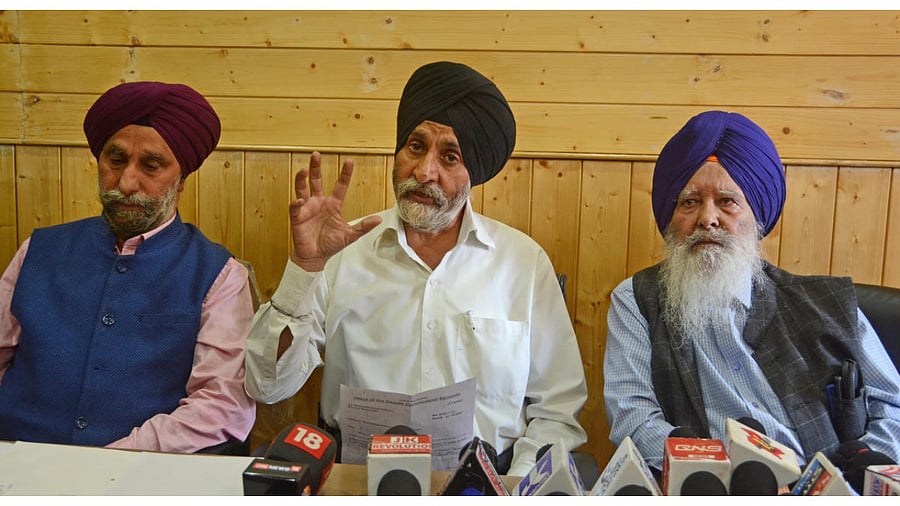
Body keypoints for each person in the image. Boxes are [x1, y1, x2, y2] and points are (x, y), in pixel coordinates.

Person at [244, 61, 588, 476]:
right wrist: (305, 268)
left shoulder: (522, 264)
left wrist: (518, 484)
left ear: (472, 173)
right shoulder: (343, 256)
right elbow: (266, 384)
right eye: (415, 147)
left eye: (450, 157)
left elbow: (558, 411)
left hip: (488, 483)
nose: (425, 172)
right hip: (358, 479)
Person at [603, 110, 900, 473]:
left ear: (756, 217)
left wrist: (846, 478)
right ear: (670, 218)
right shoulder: (637, 299)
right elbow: (634, 418)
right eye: (689, 202)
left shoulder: (831, 304)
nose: (707, 218)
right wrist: (711, 469)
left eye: (727, 201)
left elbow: (893, 410)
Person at [0, 81, 256, 452]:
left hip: (140, 476)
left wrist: (118, 460)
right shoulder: (38, 250)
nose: (125, 182)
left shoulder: (219, 275)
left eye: (152, 166)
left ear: (182, 177)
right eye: (115, 160)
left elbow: (222, 404)